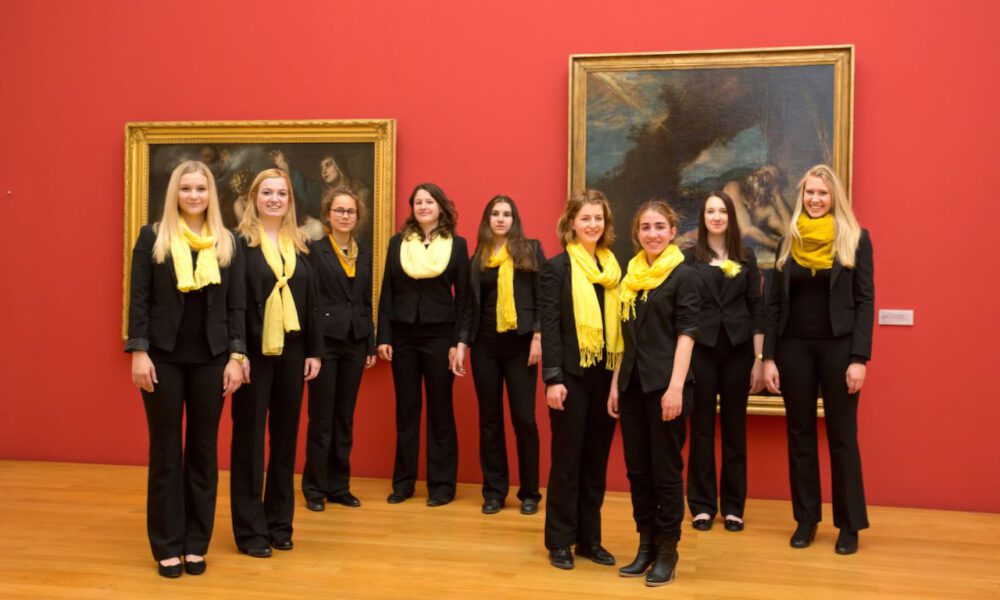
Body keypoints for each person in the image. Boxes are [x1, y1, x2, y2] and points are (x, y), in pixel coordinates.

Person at [125, 160, 246, 578]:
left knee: (202, 451)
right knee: (165, 453)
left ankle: (196, 542)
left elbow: (237, 307)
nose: (194, 195)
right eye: (186, 188)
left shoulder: (227, 242)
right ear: (174, 192)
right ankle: (166, 544)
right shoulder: (152, 237)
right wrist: (138, 351)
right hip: (162, 357)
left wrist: (236, 356)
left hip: (212, 359)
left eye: (201, 188)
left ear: (211, 194)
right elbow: (139, 299)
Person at [763, 164, 874, 555]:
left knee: (843, 438)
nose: (814, 199)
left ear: (834, 198)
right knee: (800, 436)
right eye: (809, 193)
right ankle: (806, 520)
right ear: (801, 196)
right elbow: (773, 305)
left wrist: (859, 357)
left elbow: (865, 302)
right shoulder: (786, 243)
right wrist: (769, 358)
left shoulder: (856, 239)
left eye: (822, 194)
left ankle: (849, 526)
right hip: (794, 350)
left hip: (839, 350)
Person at [230, 168, 322, 558]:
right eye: (266, 192)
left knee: (285, 442)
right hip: (253, 354)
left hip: (294, 351)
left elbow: (314, 303)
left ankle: (280, 524)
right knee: (249, 443)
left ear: (289, 200)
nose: (274, 199)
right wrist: (236, 353)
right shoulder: (238, 245)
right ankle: (250, 532)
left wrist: (315, 351)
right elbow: (232, 304)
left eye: (281, 193)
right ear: (254, 198)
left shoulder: (301, 245)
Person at [607, 200, 699, 586]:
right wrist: (615, 383)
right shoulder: (631, 278)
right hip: (632, 386)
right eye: (645, 227)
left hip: (666, 387)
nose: (653, 234)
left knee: (665, 472)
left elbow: (687, 334)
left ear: (673, 231)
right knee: (638, 470)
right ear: (637, 234)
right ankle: (645, 545)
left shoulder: (683, 275)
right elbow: (625, 339)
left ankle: (667, 550)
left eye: (660, 226)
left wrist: (675, 387)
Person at [540, 189, 622, 570]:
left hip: (605, 378)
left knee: (595, 462)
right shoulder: (556, 268)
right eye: (586, 218)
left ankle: (589, 539)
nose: (593, 225)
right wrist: (552, 379)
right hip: (570, 378)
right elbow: (551, 330)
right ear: (571, 222)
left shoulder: (614, 269)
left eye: (599, 219)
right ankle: (560, 540)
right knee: (567, 462)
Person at [377, 183, 469, 506]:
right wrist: (384, 337)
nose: (423, 206)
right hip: (403, 337)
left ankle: (442, 486)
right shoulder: (397, 243)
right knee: (406, 411)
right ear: (412, 208)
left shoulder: (457, 246)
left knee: (441, 412)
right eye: (418, 201)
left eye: (429, 201)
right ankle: (403, 484)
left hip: (441, 337)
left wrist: (459, 343)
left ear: (440, 207)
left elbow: (464, 301)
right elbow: (386, 292)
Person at [457, 195, 545, 516]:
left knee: (524, 421)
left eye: (507, 214)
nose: (501, 219)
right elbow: (469, 307)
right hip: (484, 348)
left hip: (520, 346)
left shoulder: (530, 250)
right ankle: (494, 491)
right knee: (490, 421)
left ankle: (530, 492)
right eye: (495, 213)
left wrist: (538, 335)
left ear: (514, 220)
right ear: (487, 219)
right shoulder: (477, 258)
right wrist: (463, 344)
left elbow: (542, 297)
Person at [685, 191, 764, 533]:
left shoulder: (747, 257)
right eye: (710, 211)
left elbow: (758, 310)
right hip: (701, 350)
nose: (716, 216)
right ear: (703, 218)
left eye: (722, 211)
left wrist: (760, 360)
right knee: (701, 429)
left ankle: (733, 508)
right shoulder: (688, 259)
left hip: (738, 351)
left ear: (731, 217)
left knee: (734, 430)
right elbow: (683, 313)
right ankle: (702, 507)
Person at [302, 188, 377, 512]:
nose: (345, 215)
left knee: (344, 418)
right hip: (325, 343)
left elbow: (363, 301)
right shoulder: (314, 251)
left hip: (355, 343)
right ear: (328, 214)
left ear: (357, 217)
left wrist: (370, 342)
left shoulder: (366, 252)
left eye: (351, 211)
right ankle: (315, 488)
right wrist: (313, 347)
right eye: (339, 210)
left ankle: (339, 486)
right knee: (321, 419)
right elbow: (311, 302)